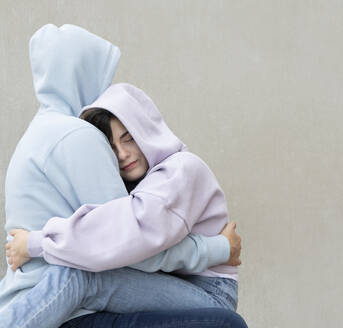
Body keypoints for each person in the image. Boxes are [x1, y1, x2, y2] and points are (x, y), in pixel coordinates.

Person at [0, 24, 246, 328]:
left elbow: (127, 240)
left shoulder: (180, 171)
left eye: (129, 137)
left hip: (207, 293)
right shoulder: (75, 138)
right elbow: (124, 239)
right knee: (83, 271)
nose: (122, 153)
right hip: (178, 286)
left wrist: (35, 243)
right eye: (112, 145)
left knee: (83, 273)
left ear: (146, 129)